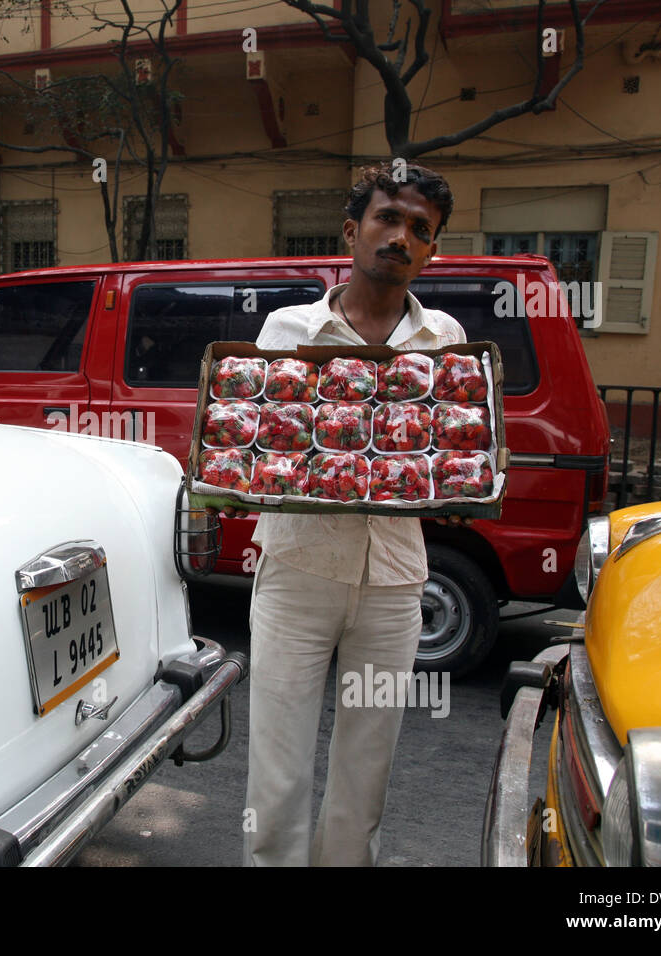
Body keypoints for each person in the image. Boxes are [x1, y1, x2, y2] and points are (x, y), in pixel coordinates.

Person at [239, 162, 466, 866]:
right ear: (352, 230)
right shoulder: (289, 329)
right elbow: (255, 442)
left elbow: (458, 448)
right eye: (388, 219)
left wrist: (461, 486)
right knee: (276, 776)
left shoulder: (444, 338)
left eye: (419, 230)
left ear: (431, 252)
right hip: (297, 573)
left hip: (396, 583)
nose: (401, 237)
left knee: (366, 777)